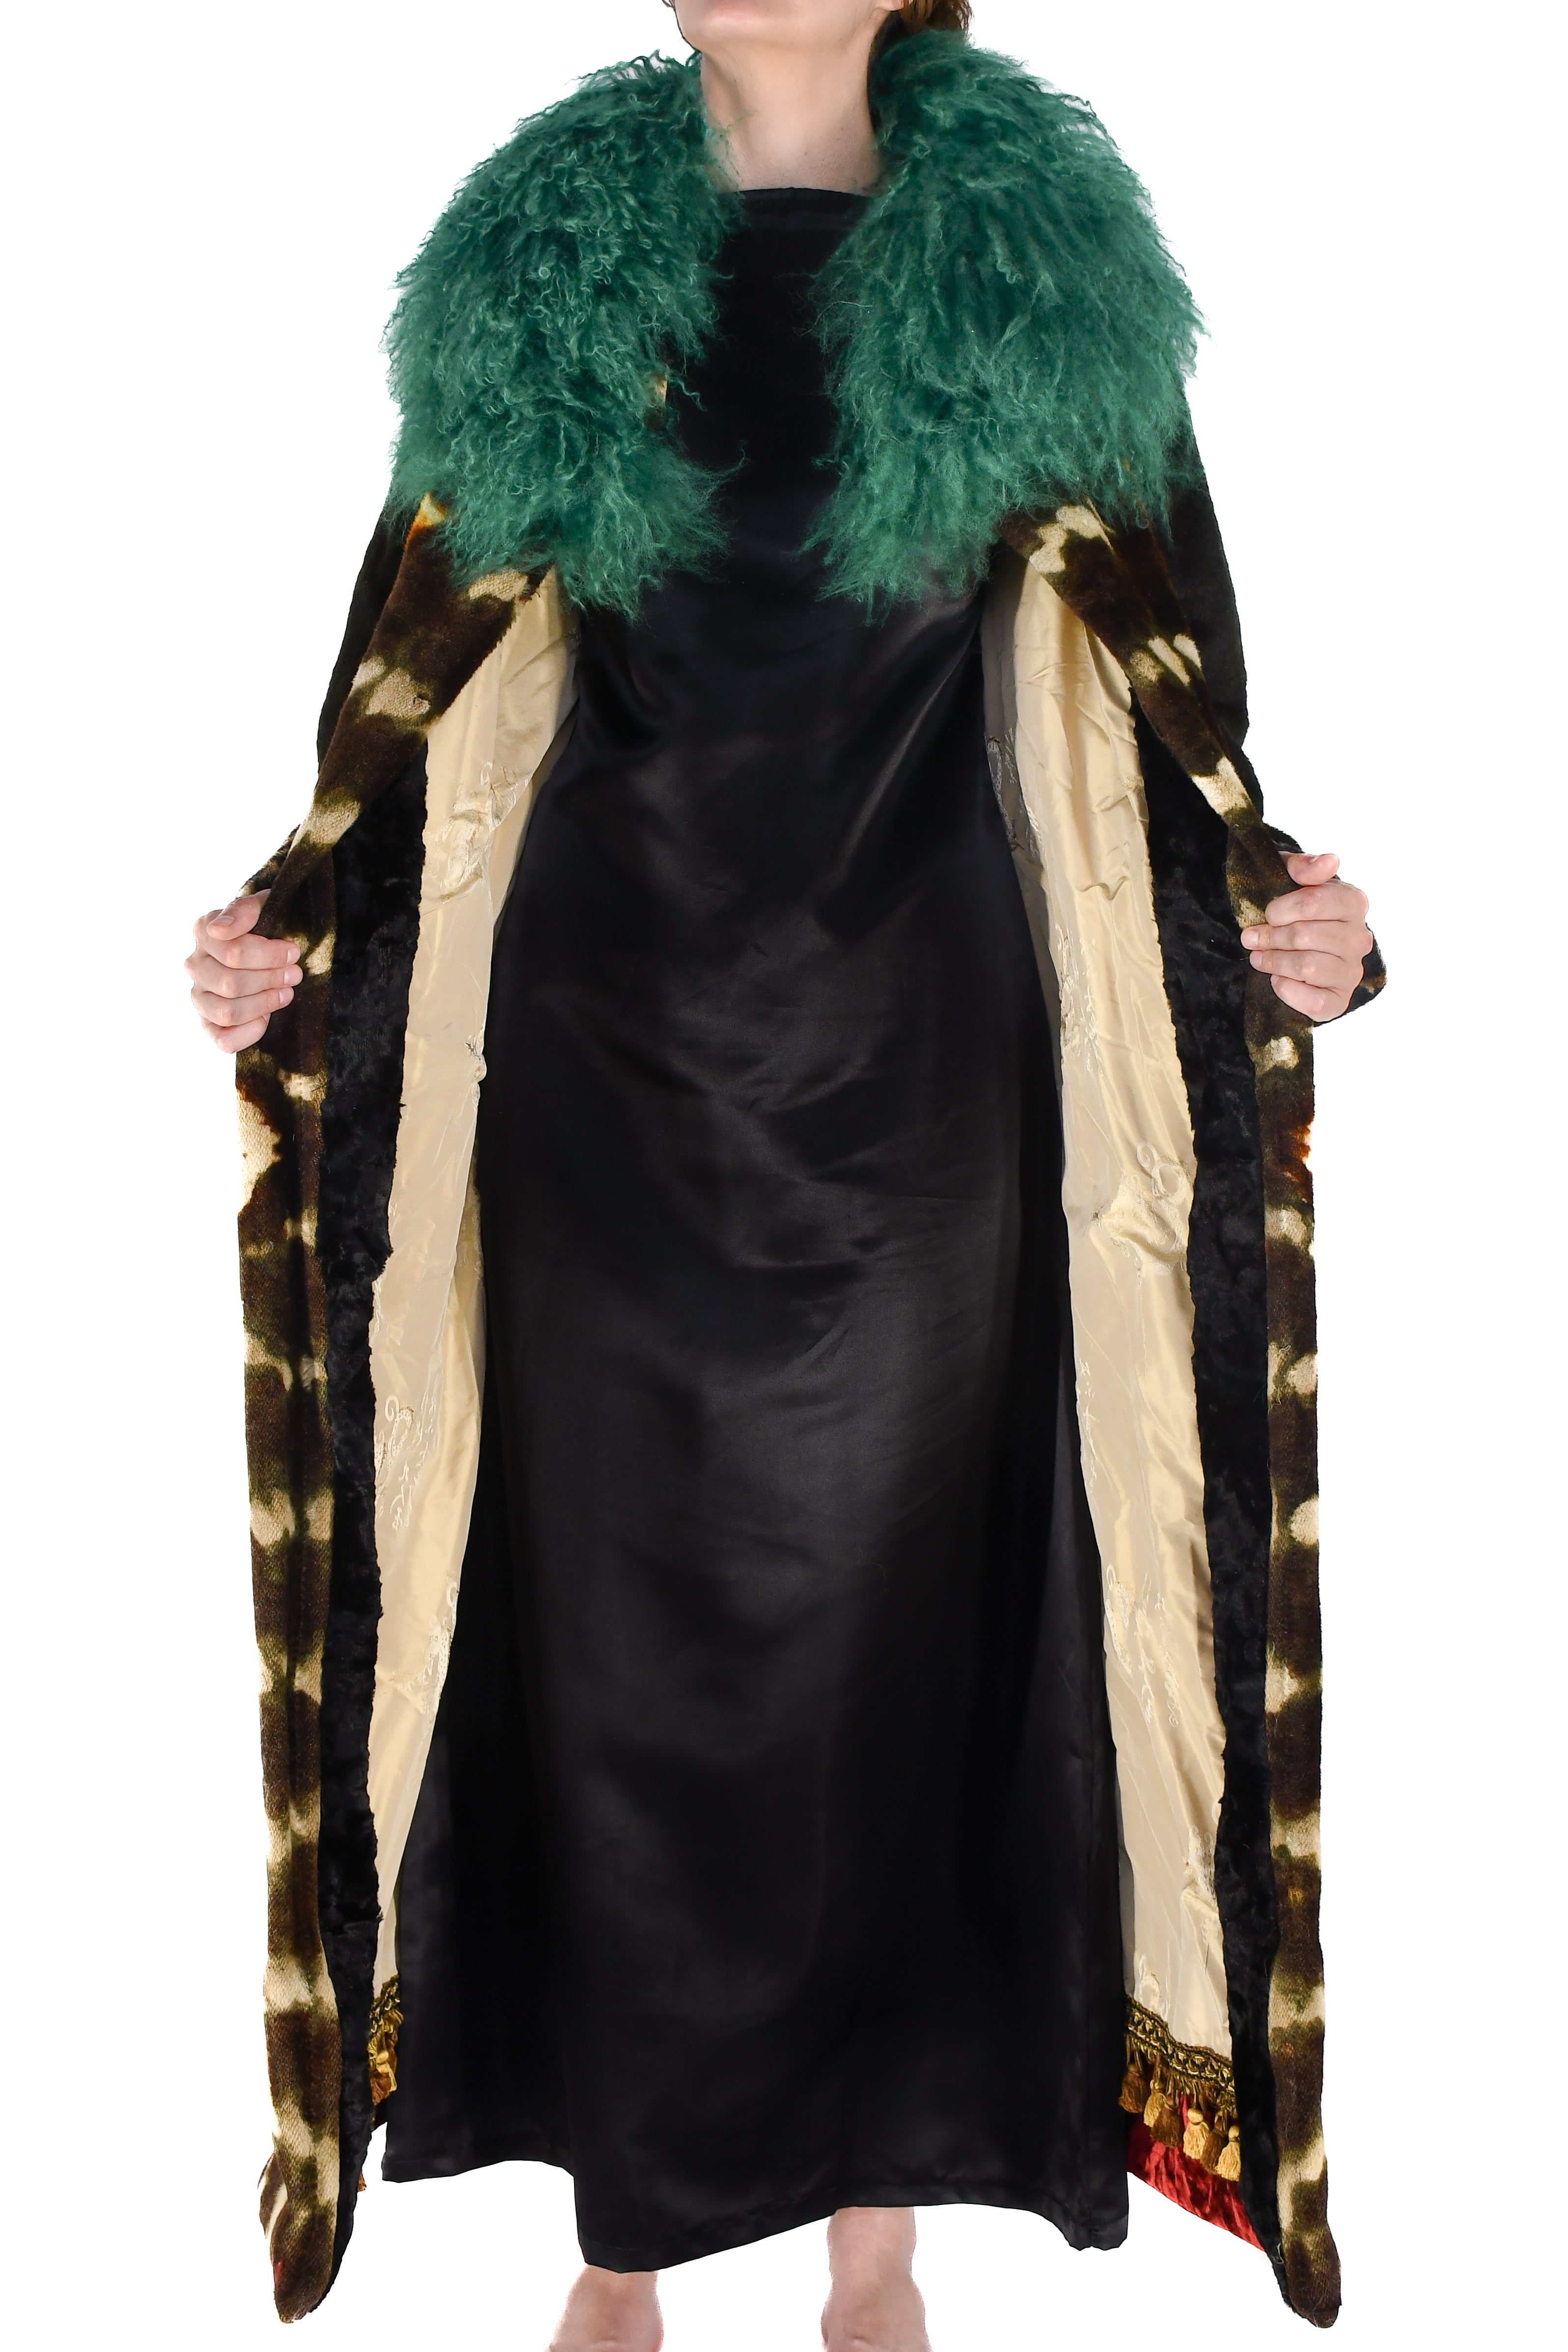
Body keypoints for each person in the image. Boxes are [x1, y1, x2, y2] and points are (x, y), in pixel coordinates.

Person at [186, 6, 1379, 2348]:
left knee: (913, 1632)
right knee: (614, 1644)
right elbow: (396, 729)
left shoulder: (1041, 274)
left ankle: (876, 2237)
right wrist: (276, 947)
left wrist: (1326, 943)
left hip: (930, 1094)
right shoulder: (541, 270)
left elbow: (1185, 739)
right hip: (599, 1088)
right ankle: (623, 2238)